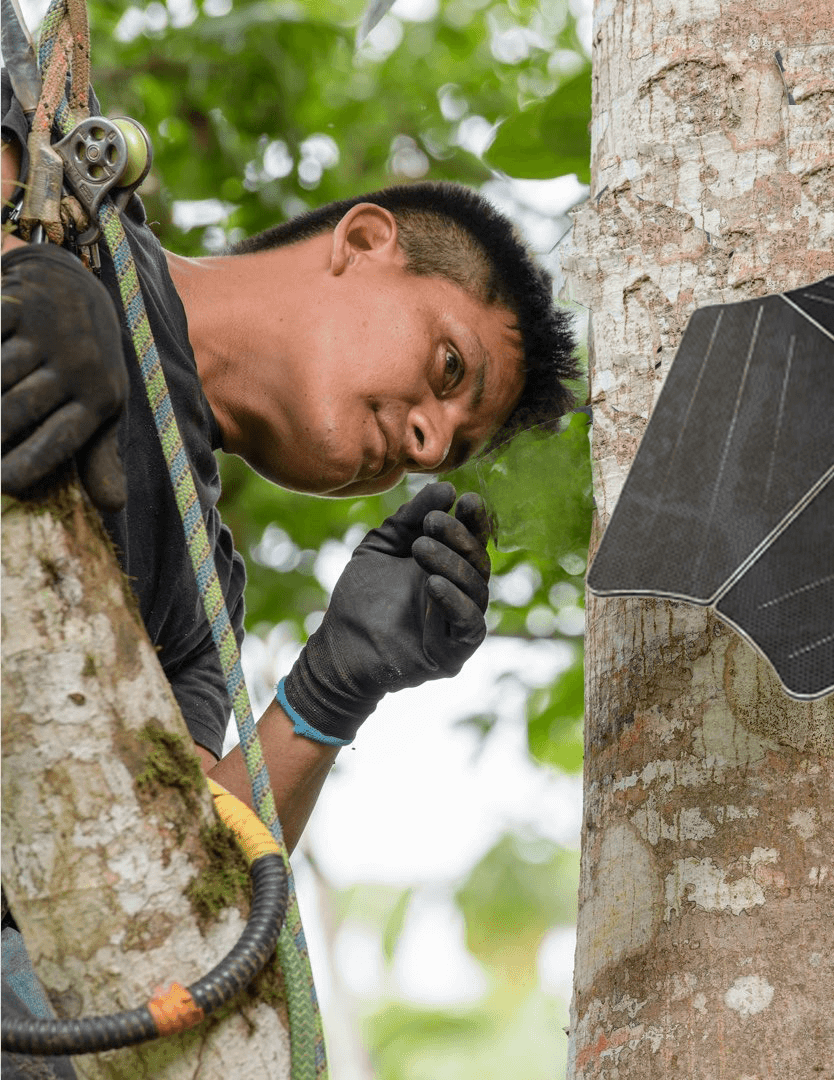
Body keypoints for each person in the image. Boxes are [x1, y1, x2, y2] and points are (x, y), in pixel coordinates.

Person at [1, 79, 577, 1074]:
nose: (430, 439)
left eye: (447, 452)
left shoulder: (202, 600)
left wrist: (326, 694)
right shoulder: (58, 176)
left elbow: (167, 908)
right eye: (449, 366)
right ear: (361, 243)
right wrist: (23, 274)